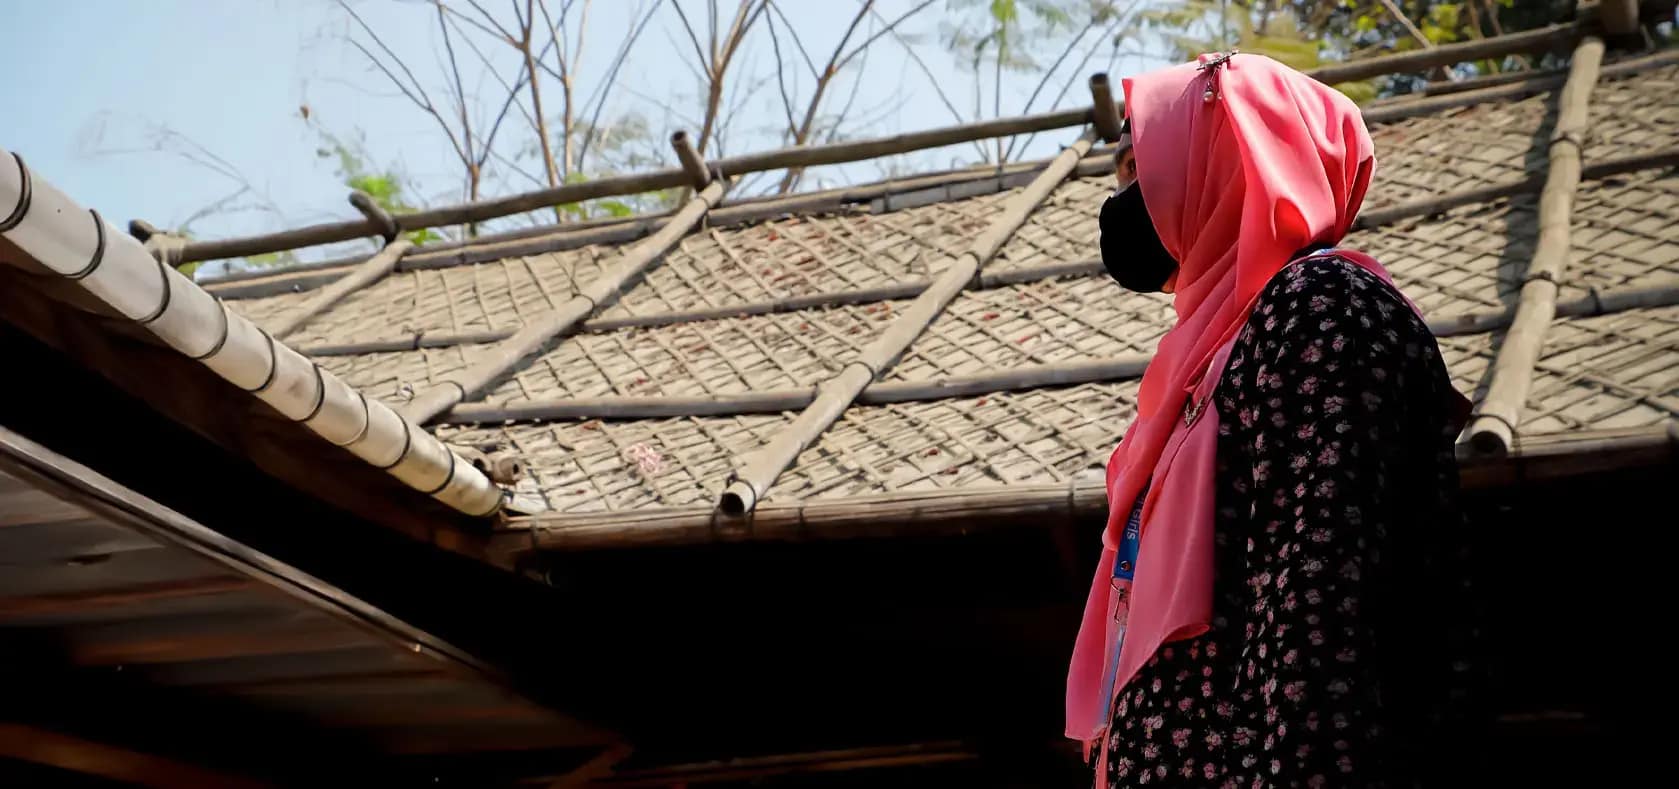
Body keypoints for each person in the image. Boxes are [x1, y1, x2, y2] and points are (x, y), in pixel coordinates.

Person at [1069, 53, 1478, 788]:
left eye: (1138, 166)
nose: (1120, 198)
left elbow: (1320, 609)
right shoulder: (1208, 361)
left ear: (1226, 156)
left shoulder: (1319, 308)